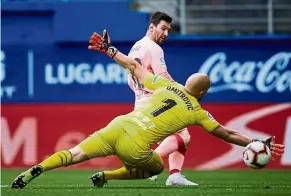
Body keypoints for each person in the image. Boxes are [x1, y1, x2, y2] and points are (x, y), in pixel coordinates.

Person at [11, 30, 285, 189]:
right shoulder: (197, 111)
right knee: (153, 169)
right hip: (137, 146)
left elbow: (134, 67)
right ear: (202, 93)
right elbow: (227, 135)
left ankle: (37, 169)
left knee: (74, 153)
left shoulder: (165, 86)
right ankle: (108, 176)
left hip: (118, 125)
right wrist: (256, 141)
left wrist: (110, 50)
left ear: (186, 82)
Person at [126, 11, 195, 185]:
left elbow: (130, 80)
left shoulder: (135, 47)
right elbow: (162, 76)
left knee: (176, 135)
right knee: (184, 136)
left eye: (168, 30)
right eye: (163, 28)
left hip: (141, 102)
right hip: (155, 102)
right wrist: (183, 90)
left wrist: (140, 93)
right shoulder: (154, 48)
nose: (166, 34)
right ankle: (152, 165)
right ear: (151, 27)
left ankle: (173, 175)